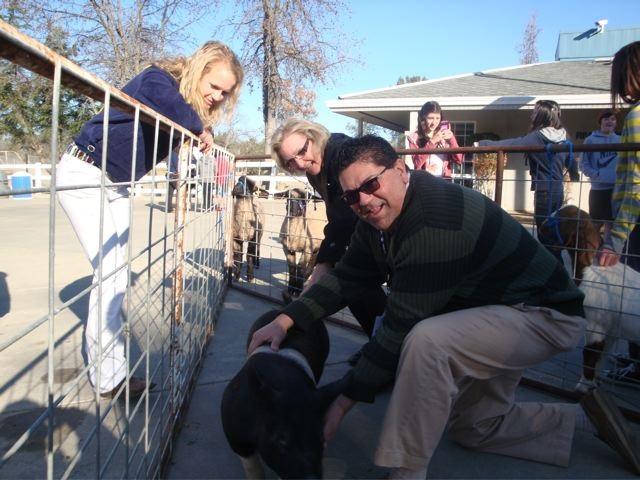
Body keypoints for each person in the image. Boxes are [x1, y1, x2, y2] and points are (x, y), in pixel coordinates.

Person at [249, 135, 640, 478]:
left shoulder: (434, 220)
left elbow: (399, 327)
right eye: (352, 196)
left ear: (401, 170)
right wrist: (285, 319)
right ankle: (588, 424)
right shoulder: (379, 220)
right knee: (474, 428)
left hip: (542, 315)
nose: (364, 201)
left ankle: (405, 471)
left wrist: (341, 403)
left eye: (371, 184)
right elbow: (348, 276)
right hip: (492, 312)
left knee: (425, 340)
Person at [56, 41, 243, 399]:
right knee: (111, 275)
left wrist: (205, 131)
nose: (218, 96)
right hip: (86, 172)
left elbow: (185, 118)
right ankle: (109, 378)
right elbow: (170, 107)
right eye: (214, 86)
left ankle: (108, 369)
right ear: (197, 70)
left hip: (117, 184)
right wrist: (201, 130)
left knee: (114, 276)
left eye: (226, 92)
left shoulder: (187, 108)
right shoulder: (156, 80)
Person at [270, 119, 387, 350]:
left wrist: (323, 264)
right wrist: (325, 262)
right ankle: (380, 344)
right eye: (290, 162)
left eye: (302, 151)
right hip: (365, 227)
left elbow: (344, 214)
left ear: (313, 136)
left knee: (352, 282)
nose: (301, 162)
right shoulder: (316, 170)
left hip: (385, 224)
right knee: (353, 286)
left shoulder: (340, 154)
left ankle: (388, 350)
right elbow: (337, 214)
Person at [598, 41, 640, 382]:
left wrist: (617, 237)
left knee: (631, 296)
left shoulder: (638, 116)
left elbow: (636, 184)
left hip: (636, 223)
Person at [477, 100, 580, 233]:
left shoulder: (537, 137)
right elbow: (571, 160)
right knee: (555, 228)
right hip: (558, 190)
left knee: (544, 231)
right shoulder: (565, 137)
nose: (531, 116)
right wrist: (575, 175)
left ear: (542, 116)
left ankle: (549, 253)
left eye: (534, 113)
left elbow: (512, 143)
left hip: (543, 190)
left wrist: (482, 144)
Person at [580, 110, 620, 234]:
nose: (610, 121)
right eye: (606, 119)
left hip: (616, 188)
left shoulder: (621, 139)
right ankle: (592, 250)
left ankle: (607, 251)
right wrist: (597, 175)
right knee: (595, 224)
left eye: (613, 119)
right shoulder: (590, 140)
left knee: (611, 223)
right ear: (600, 122)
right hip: (598, 189)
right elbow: (583, 164)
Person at [406, 101, 463, 179]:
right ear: (423, 118)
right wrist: (432, 142)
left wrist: (452, 140)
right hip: (424, 182)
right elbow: (417, 164)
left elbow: (459, 160)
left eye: (437, 118)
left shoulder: (444, 134)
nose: (434, 122)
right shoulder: (414, 138)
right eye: (430, 118)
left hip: (444, 182)